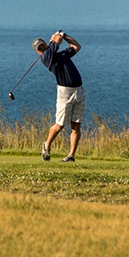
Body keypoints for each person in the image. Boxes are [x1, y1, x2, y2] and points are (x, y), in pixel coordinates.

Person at [33, 30, 83, 162]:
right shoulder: (46, 57)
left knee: (76, 125)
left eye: (42, 44)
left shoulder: (61, 55)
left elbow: (77, 46)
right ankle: (47, 146)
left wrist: (65, 35)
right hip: (65, 93)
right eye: (39, 48)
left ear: (45, 43)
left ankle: (71, 156)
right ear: (38, 52)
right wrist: (58, 35)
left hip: (79, 90)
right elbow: (57, 41)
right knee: (60, 125)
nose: (42, 47)